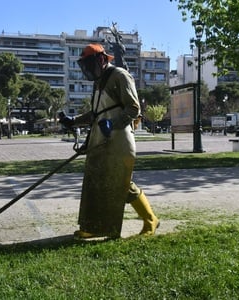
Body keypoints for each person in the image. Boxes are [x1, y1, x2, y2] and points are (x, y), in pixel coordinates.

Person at [59, 43, 159, 239]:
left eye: (90, 63)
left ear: (103, 59)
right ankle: (94, 226)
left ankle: (150, 220)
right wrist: (74, 120)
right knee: (95, 182)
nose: (87, 69)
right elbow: (96, 113)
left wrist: (113, 124)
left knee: (120, 183)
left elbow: (133, 109)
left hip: (119, 139)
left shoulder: (120, 76)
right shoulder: (98, 82)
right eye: (85, 65)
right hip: (99, 140)